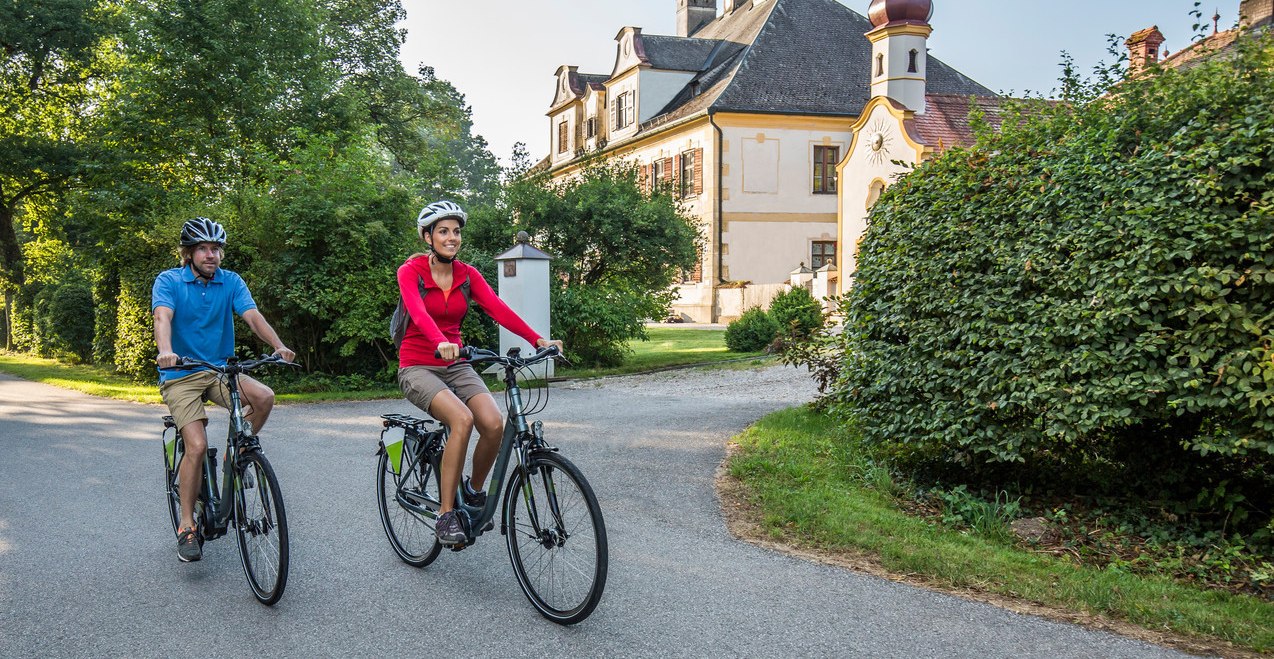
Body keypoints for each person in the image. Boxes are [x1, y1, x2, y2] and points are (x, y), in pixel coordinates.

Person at [397, 200, 563, 546]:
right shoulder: (411, 271)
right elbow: (418, 313)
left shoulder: (467, 275)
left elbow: (498, 309)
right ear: (427, 237)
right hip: (418, 365)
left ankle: (472, 491)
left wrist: (537, 338)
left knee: (493, 423)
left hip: (457, 363)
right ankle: (446, 515)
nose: (451, 237)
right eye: (443, 231)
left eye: (456, 231)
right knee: (461, 420)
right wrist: (440, 341)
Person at [152, 217, 295, 562]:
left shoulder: (230, 282)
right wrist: (165, 351)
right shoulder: (169, 280)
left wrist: (278, 345)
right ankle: (187, 525)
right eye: (202, 248)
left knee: (264, 397)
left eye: (215, 248)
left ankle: (235, 456)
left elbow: (252, 316)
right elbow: (162, 317)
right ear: (188, 253)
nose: (210, 254)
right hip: (181, 373)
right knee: (197, 445)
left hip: (218, 369)